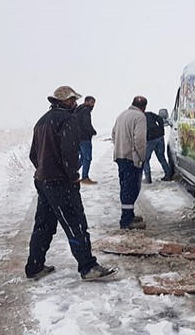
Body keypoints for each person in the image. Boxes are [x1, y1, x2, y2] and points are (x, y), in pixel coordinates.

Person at [26, 85, 116, 281]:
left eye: (75, 100)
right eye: (72, 100)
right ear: (63, 102)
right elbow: (69, 153)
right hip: (60, 182)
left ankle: (34, 267)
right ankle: (88, 267)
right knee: (75, 223)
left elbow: (33, 155)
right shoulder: (67, 119)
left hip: (43, 181)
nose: (75, 103)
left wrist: (44, 169)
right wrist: (72, 176)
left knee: (44, 225)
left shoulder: (41, 122)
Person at [112, 96, 149, 229]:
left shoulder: (122, 115)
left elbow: (113, 134)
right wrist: (142, 157)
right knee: (132, 189)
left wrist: (120, 147)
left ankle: (128, 214)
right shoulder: (139, 117)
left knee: (124, 187)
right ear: (144, 107)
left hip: (120, 157)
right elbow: (139, 140)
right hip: (132, 158)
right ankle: (126, 221)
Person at [143, 110, 173, 183]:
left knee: (145, 160)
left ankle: (148, 178)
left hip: (149, 139)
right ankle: (168, 175)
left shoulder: (137, 117)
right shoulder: (149, 114)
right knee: (161, 157)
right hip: (159, 137)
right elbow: (160, 119)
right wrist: (161, 130)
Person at [75, 96, 98, 184]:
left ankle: (73, 172)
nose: (93, 105)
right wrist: (92, 131)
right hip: (85, 138)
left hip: (77, 138)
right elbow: (86, 124)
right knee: (87, 158)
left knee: (82, 157)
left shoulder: (78, 110)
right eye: (92, 103)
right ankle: (85, 177)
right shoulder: (86, 111)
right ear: (87, 102)